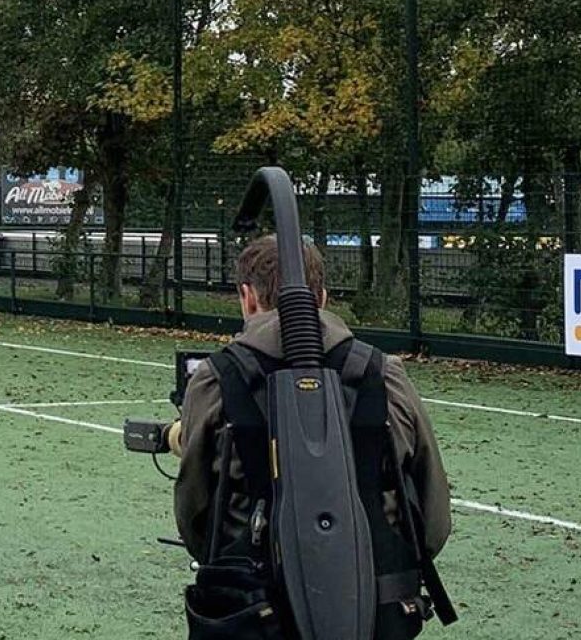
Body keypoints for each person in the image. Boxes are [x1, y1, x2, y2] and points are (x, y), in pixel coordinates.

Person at [174, 235, 452, 636]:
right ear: (321, 297)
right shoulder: (383, 373)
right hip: (378, 606)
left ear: (247, 298)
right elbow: (432, 512)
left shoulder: (218, 378)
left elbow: (194, 510)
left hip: (253, 612)